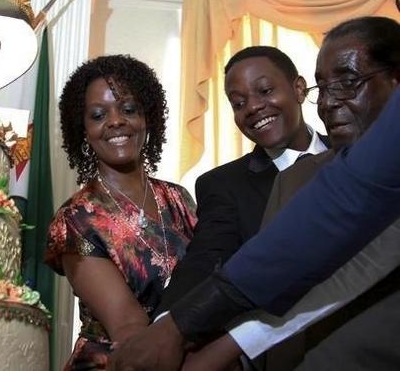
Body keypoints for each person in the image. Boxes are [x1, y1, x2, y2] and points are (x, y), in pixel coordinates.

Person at [108, 44, 400, 371]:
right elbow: (205, 259)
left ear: (299, 89)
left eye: (265, 90)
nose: (254, 107)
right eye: (238, 103)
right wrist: (170, 327)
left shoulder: (360, 163)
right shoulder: (222, 184)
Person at [44, 54, 197, 370]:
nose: (116, 121)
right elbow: (128, 326)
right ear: (83, 130)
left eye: (128, 110)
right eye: (98, 115)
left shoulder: (178, 198)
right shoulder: (76, 219)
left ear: (147, 118)